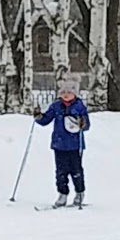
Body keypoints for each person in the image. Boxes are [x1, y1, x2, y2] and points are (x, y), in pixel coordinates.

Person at [36, 77, 90, 209]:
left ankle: (79, 192)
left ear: (75, 94)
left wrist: (83, 123)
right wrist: (38, 116)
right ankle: (62, 194)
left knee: (76, 170)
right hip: (59, 145)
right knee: (60, 171)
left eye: (69, 92)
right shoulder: (56, 106)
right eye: (64, 92)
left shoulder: (79, 106)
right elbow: (45, 120)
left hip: (74, 145)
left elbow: (86, 125)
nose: (66, 95)